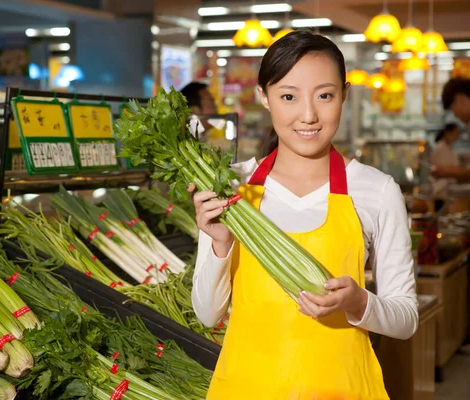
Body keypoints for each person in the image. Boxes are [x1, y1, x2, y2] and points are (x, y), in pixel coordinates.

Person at [190, 30, 418, 398]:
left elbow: (406, 318)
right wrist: (220, 244)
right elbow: (207, 315)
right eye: (288, 96)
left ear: (345, 94)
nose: (309, 115)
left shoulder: (377, 190)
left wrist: (359, 301)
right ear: (264, 97)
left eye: (325, 95)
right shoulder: (231, 186)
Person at [430, 123, 470, 210]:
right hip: (442, 190)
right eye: (456, 133)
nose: (457, 136)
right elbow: (442, 169)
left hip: (450, 188)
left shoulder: (450, 147)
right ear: (447, 133)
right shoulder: (440, 148)